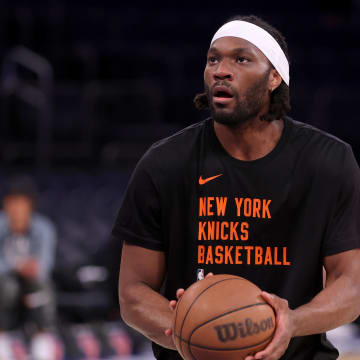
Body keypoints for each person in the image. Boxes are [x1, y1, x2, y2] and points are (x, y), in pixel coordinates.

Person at [115, 15, 360, 360]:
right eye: (213, 59)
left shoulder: (329, 162)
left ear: (274, 77)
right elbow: (133, 292)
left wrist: (291, 321)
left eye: (241, 59)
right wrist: (189, 330)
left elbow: (351, 287)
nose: (220, 70)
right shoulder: (165, 164)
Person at [0, 175, 57, 333]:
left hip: (33, 280)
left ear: (29, 205)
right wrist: (16, 266)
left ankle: (43, 334)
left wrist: (32, 268)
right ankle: (3, 334)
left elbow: (46, 263)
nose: (16, 208)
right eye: (11, 202)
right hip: (5, 279)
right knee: (8, 287)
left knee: (41, 286)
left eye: (20, 202)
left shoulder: (44, 227)